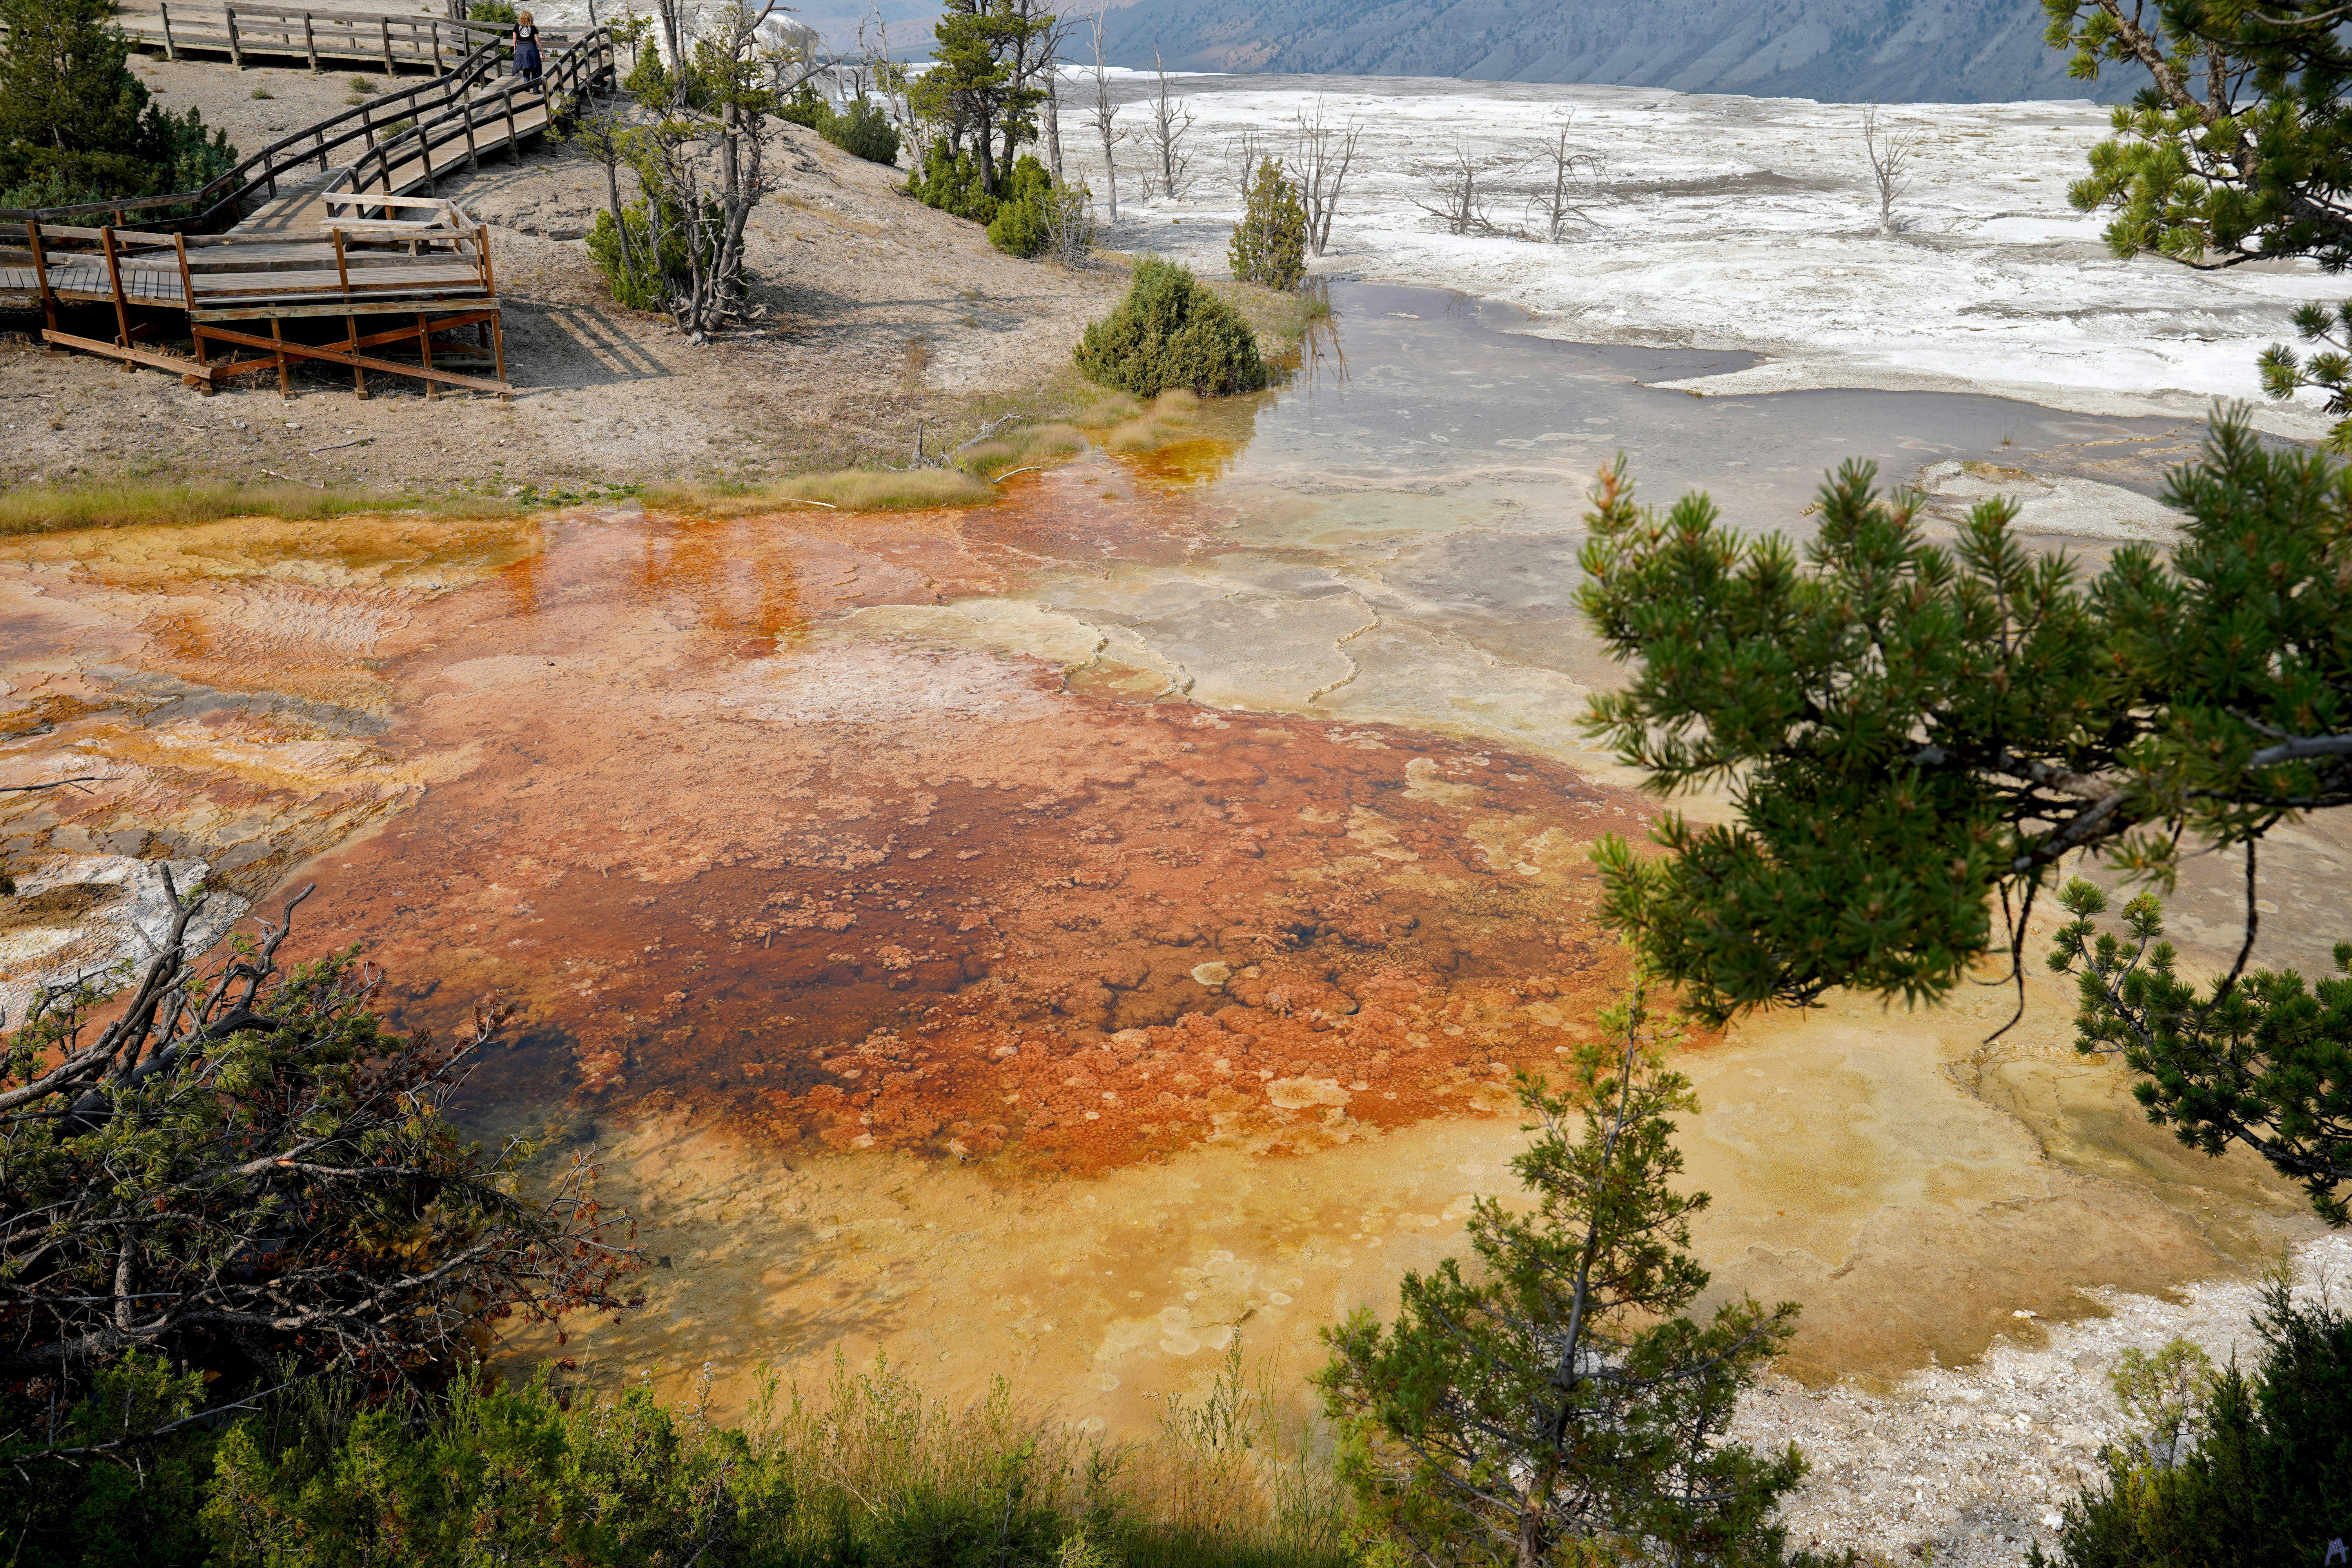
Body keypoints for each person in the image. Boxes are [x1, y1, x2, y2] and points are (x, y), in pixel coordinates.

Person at [512, 10, 542, 84]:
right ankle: (536, 90)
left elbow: (514, 38)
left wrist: (515, 48)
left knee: (525, 68)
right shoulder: (532, 27)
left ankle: (526, 84)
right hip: (531, 49)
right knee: (535, 69)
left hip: (521, 50)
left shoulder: (517, 26)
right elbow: (538, 40)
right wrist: (542, 51)